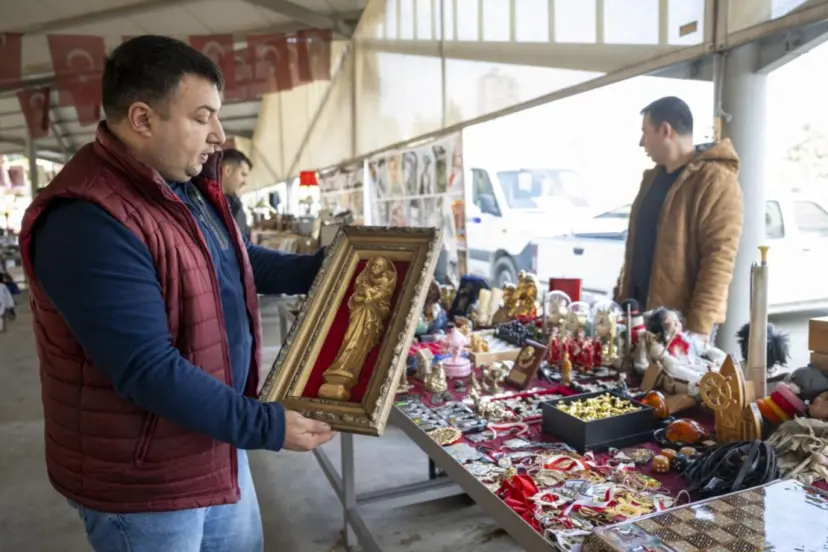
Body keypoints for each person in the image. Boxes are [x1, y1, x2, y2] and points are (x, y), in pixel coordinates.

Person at [18, 35, 335, 552]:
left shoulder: (179, 187)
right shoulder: (87, 220)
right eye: (202, 117)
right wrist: (265, 425)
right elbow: (147, 368)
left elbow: (236, 262)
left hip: (214, 438)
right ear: (143, 119)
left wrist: (328, 269)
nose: (219, 135)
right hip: (146, 481)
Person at [614, 96, 743, 344]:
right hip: (636, 318)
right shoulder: (651, 179)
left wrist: (699, 328)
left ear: (665, 130)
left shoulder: (716, 180)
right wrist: (620, 299)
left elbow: (719, 258)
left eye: (645, 132)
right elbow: (637, 248)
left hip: (680, 324)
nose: (641, 142)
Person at [221, 148, 252, 240]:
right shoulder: (203, 205)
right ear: (228, 170)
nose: (245, 182)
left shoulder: (236, 205)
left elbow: (244, 243)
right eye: (243, 174)